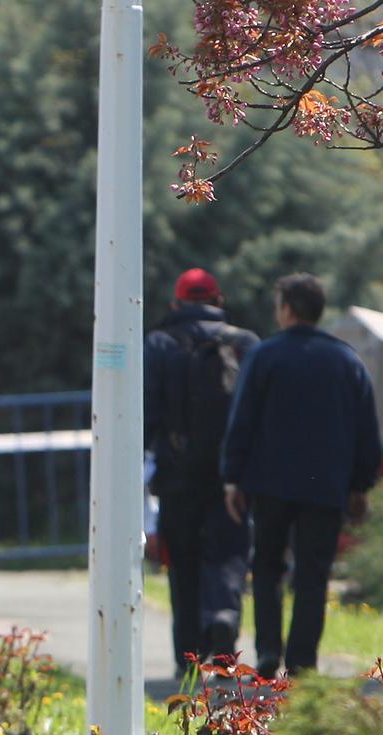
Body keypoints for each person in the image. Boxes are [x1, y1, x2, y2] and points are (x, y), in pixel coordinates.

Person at [221, 272, 381, 679]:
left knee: (268, 568)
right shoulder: (346, 360)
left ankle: (269, 652)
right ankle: (303, 661)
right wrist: (361, 485)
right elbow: (366, 429)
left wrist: (233, 477)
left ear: (287, 310)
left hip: (269, 482)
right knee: (313, 573)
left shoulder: (264, 356)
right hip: (326, 486)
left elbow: (243, 419)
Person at [143, 267, 259, 672]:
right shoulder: (245, 344)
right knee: (230, 553)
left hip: (178, 475)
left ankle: (188, 656)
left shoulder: (158, 343)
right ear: (218, 302)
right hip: (234, 477)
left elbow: (147, 411)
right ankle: (224, 629)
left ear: (176, 303)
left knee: (184, 562)